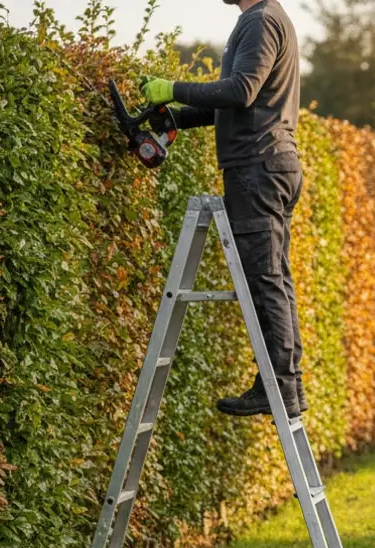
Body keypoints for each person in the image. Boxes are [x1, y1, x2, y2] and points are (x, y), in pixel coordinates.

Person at [140, 0, 305, 418]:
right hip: (269, 163)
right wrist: (175, 116)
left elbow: (240, 90)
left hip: (257, 167)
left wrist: (171, 87)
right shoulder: (262, 20)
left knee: (265, 280)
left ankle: (279, 389)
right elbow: (238, 104)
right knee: (275, 279)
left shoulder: (261, 21)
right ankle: (286, 388)